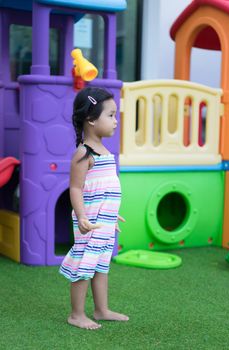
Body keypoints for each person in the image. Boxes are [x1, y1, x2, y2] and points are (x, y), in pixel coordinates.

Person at [59, 87, 129, 330]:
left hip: (104, 221)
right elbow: (76, 188)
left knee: (101, 264)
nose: (115, 121)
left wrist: (111, 213)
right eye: (110, 115)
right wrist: (82, 216)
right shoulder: (84, 153)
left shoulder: (105, 151)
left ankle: (101, 309)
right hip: (89, 222)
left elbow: (104, 187)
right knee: (84, 265)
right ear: (90, 119)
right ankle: (76, 314)